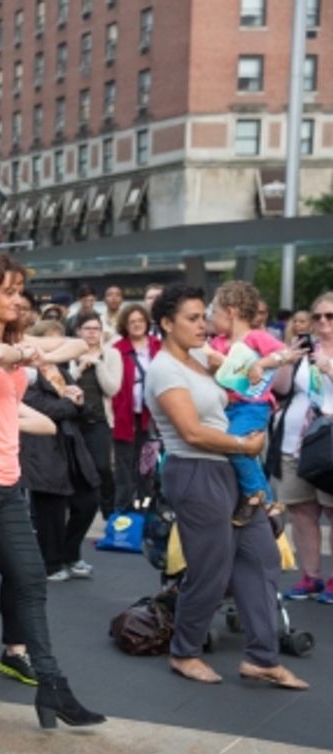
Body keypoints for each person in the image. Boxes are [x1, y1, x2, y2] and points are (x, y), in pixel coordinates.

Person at [0, 252, 106, 729]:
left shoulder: (17, 342)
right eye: (8, 292)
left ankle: (52, 687)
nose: (18, 300)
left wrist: (30, 347)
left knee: (30, 580)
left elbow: (74, 344)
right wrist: (17, 352)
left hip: (8, 483)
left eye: (19, 291)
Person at [144, 284, 308, 690]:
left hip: (232, 470)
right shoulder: (164, 369)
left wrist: (269, 361)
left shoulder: (202, 355)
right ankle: (184, 652)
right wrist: (243, 444)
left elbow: (250, 375)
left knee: (262, 557)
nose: (203, 325)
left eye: (204, 316)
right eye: (192, 318)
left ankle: (262, 658)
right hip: (196, 471)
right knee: (212, 569)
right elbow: (193, 432)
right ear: (166, 323)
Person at [208, 280, 301, 524]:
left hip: (253, 406)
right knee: (239, 453)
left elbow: (287, 354)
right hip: (226, 407)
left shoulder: (256, 337)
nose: (210, 318)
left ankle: (262, 498)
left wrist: (260, 364)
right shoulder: (217, 342)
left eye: (214, 312)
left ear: (231, 312)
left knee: (236, 445)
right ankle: (254, 498)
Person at [22, 321, 102, 582]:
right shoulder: (25, 373)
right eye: (51, 342)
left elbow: (81, 408)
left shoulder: (61, 370)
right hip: (42, 446)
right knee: (50, 510)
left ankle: (70, 553)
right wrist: (70, 403)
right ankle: (52, 563)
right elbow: (42, 407)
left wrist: (77, 401)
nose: (57, 349)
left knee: (88, 500)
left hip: (71, 443)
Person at [272, 293, 333, 600]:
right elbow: (281, 390)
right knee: (300, 511)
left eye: (330, 316)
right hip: (294, 442)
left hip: (329, 445)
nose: (322, 322)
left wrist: (328, 367)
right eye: (317, 316)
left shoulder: (324, 357)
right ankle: (311, 576)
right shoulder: (307, 349)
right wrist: (286, 360)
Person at [69, 310, 121, 517]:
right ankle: (81, 509)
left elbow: (112, 389)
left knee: (102, 466)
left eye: (96, 329)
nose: (92, 333)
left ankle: (108, 509)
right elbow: (63, 384)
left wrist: (98, 364)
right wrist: (81, 366)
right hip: (74, 419)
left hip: (99, 419)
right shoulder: (69, 354)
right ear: (78, 331)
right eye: (87, 329)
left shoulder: (111, 354)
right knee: (77, 469)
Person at [111, 303, 161, 513]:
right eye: (132, 322)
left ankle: (146, 511)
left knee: (147, 468)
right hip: (125, 416)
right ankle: (123, 515)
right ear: (125, 324)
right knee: (124, 468)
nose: (137, 325)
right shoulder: (118, 350)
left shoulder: (158, 347)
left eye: (140, 321)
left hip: (152, 419)